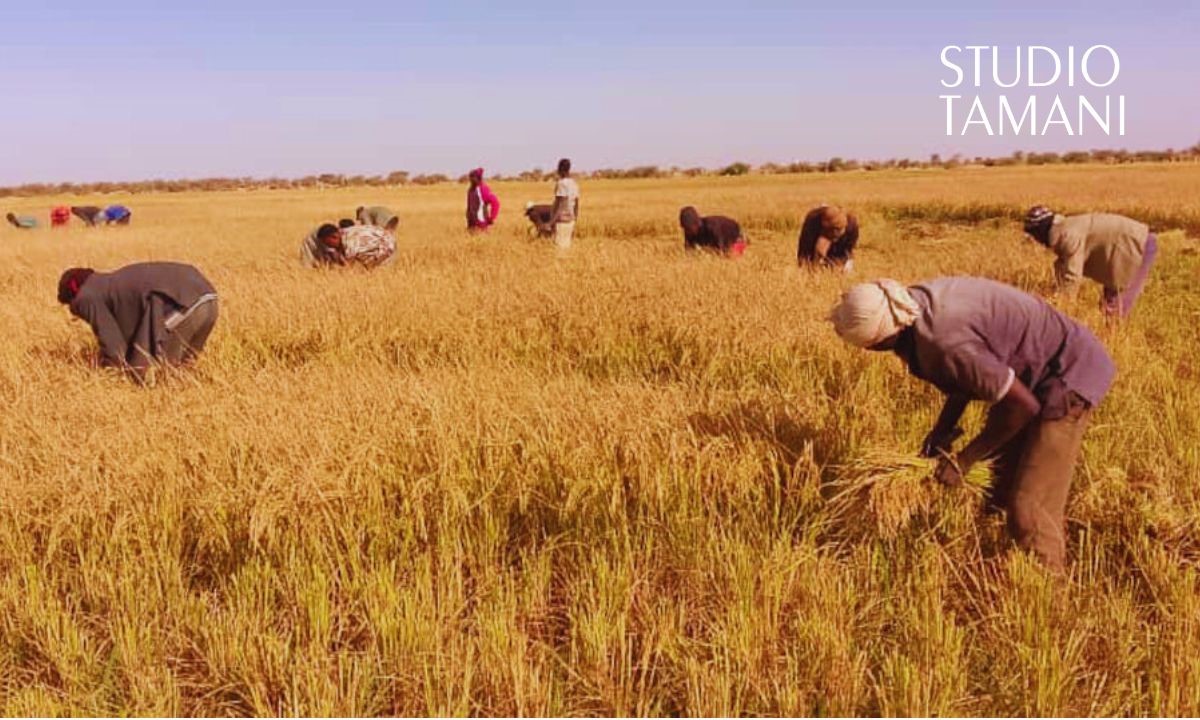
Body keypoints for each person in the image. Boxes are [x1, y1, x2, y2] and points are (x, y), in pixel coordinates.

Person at [830, 276, 1116, 572]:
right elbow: (963, 376)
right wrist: (942, 430)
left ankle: (1049, 590)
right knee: (999, 480)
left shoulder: (943, 339)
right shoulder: (911, 305)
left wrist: (964, 460)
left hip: (1068, 374)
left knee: (1029, 507)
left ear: (885, 337)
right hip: (1034, 376)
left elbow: (1021, 406)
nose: (871, 351)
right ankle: (1000, 563)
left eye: (872, 345)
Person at [57, 262, 219, 382]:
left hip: (182, 305)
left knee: (146, 374)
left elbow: (114, 347)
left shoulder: (85, 297)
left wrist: (107, 376)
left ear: (73, 296)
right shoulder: (108, 283)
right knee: (183, 371)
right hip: (208, 298)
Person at [1024, 205, 1157, 318]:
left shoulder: (1066, 236)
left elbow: (1072, 275)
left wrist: (1061, 311)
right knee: (1109, 303)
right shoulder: (1064, 228)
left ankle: (1112, 343)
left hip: (1138, 245)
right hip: (1120, 250)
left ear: (1039, 232)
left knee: (1115, 309)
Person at [300, 223, 395, 268]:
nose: (328, 246)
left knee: (365, 270)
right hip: (382, 237)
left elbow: (349, 268)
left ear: (334, 236)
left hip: (387, 245)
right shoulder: (344, 232)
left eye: (328, 243)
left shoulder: (350, 243)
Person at [798, 205, 858, 271]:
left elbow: (848, 252)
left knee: (841, 267)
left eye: (838, 230)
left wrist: (837, 265)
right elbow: (803, 254)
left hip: (838, 254)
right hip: (816, 243)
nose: (835, 233)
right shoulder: (812, 220)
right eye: (832, 232)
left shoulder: (852, 224)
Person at [679, 206, 747, 257]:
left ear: (696, 224)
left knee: (730, 256)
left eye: (689, 229)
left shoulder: (712, 227)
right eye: (685, 228)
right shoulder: (689, 232)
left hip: (736, 236)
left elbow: (720, 251)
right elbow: (689, 252)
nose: (687, 232)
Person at [550, 158, 580, 249]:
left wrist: (551, 222)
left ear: (560, 169)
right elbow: (577, 203)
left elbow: (561, 204)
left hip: (561, 220)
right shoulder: (574, 183)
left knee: (559, 249)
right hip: (570, 220)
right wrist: (575, 218)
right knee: (567, 247)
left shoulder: (561, 184)